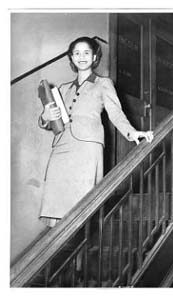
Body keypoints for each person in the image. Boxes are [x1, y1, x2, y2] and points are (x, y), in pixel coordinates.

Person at [38, 36, 153, 228]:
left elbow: (116, 113)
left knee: (80, 205)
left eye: (86, 52)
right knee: (56, 203)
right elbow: (50, 122)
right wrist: (45, 116)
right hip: (61, 147)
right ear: (71, 58)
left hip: (87, 148)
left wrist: (133, 133)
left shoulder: (103, 83)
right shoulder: (63, 88)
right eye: (76, 53)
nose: (81, 56)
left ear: (94, 58)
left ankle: (78, 245)